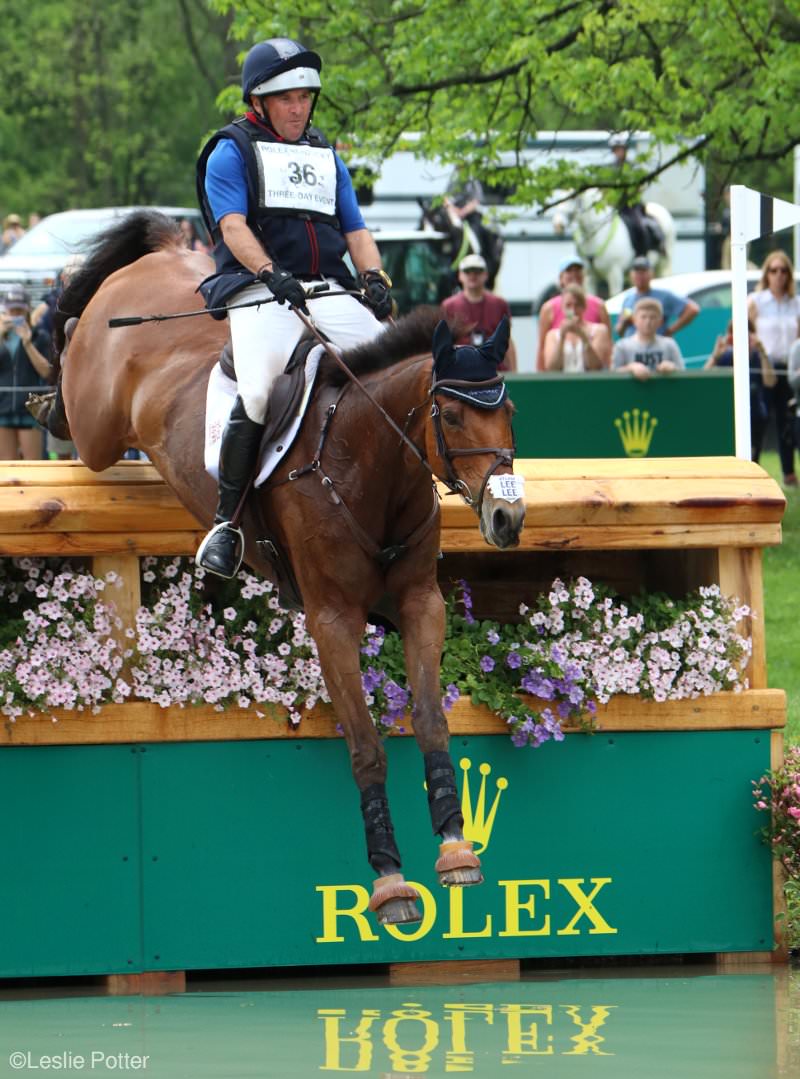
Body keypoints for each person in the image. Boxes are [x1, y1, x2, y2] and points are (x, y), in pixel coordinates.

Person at [195, 37, 393, 578]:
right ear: (258, 102)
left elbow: (355, 229)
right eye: (286, 98)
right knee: (259, 389)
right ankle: (226, 525)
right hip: (261, 290)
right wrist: (269, 273)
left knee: (394, 368)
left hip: (326, 287)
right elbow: (232, 226)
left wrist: (373, 276)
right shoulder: (229, 151)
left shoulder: (325, 154)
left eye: (305, 96)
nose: (298, 107)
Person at [748, 249, 800, 486]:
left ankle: (788, 472)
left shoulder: (796, 303)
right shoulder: (756, 301)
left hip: (787, 367)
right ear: (766, 274)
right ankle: (752, 470)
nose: (778, 275)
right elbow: (745, 331)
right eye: (773, 270)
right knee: (759, 416)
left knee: (786, 419)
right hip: (763, 365)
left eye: (783, 271)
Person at [705, 319, 776, 462]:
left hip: (755, 415)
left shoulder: (759, 357)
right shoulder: (725, 357)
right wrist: (715, 356)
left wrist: (762, 351)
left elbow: (770, 381)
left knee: (752, 458)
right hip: (727, 414)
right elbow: (705, 379)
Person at [441, 253, 517, 371]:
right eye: (468, 271)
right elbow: (445, 343)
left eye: (477, 271)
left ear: (486, 274)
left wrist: (514, 373)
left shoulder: (499, 304)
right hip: (461, 371)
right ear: (460, 275)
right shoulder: (449, 306)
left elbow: (507, 341)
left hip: (494, 370)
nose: (472, 275)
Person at [0, 286, 50, 459]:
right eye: (12, 310)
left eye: (19, 310)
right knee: (7, 468)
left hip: (30, 410)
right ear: (5, 309)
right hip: (2, 409)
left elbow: (47, 372)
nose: (15, 314)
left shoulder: (39, 336)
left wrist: (27, 343)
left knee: (33, 466)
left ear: (27, 309)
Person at [536, 256, 610, 371]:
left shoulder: (599, 305)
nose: (574, 274)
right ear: (561, 278)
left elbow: (608, 346)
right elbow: (542, 347)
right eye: (569, 271)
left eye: (577, 270)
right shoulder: (548, 308)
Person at [615, 257, 699, 339]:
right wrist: (625, 322)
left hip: (656, 348)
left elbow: (692, 309)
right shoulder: (628, 299)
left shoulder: (663, 296)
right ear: (631, 275)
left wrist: (670, 330)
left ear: (651, 274)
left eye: (643, 272)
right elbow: (619, 330)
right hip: (632, 348)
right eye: (637, 272)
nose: (640, 275)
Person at [612, 297, 684, 380]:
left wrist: (672, 367)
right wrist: (630, 368)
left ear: (660, 321)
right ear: (634, 320)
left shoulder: (669, 344)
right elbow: (613, 374)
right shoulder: (622, 346)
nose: (648, 322)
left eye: (653, 317)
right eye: (643, 317)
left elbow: (683, 371)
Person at [542, 284, 612, 370]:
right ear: (562, 308)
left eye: (577, 305)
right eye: (568, 305)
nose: (573, 310)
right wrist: (562, 338)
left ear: (584, 307)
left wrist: (583, 337)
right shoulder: (552, 335)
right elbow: (551, 368)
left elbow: (596, 366)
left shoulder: (599, 330)